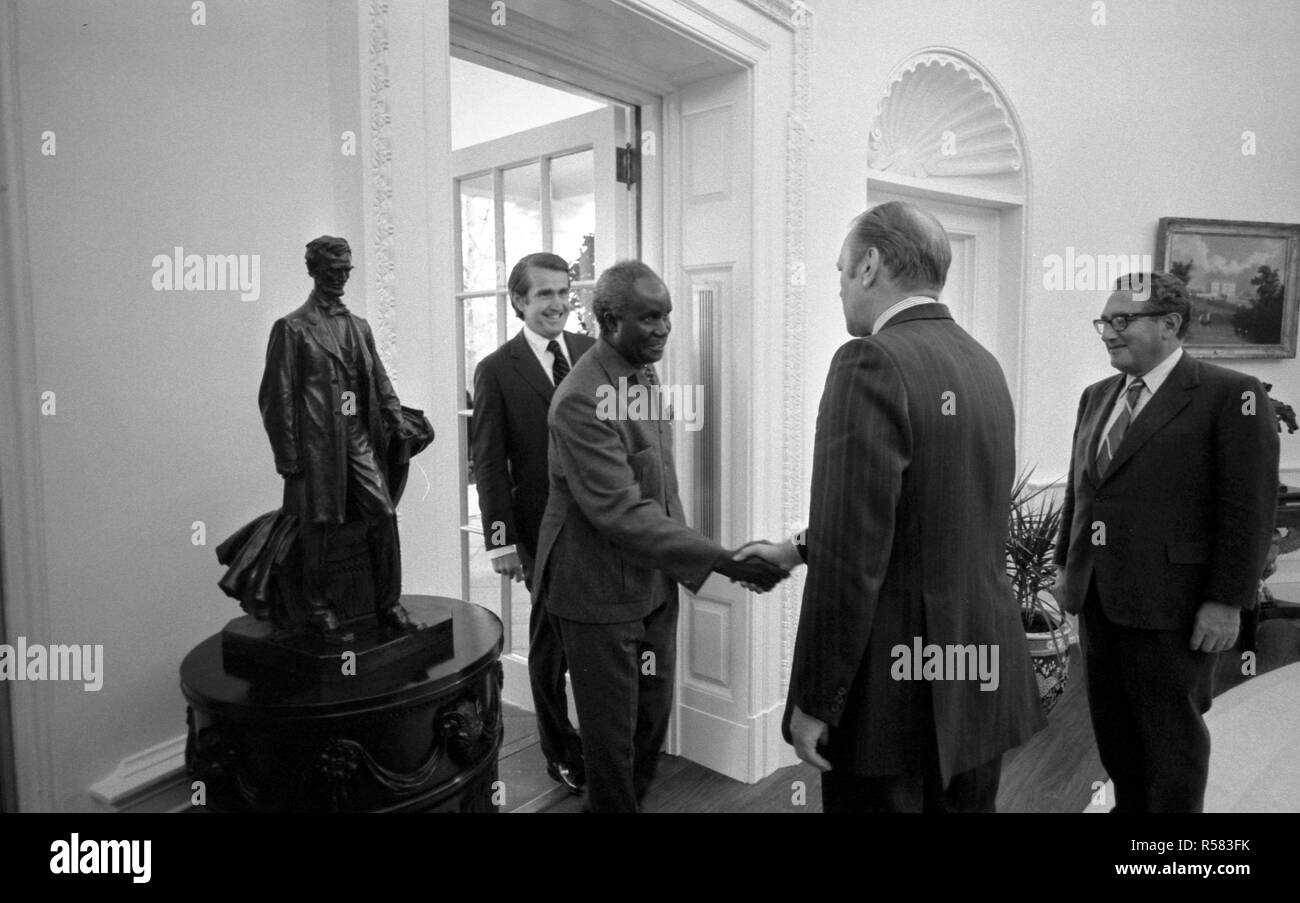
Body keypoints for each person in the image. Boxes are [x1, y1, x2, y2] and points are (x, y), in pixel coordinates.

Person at [739, 201, 1043, 812]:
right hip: (976, 667)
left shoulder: (870, 361)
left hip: (895, 693)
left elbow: (854, 556)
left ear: (871, 265)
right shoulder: (983, 363)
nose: (842, 288)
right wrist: (796, 548)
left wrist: (815, 701)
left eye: (842, 272)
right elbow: (924, 509)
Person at [532, 259, 787, 812]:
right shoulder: (580, 396)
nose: (664, 328)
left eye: (667, 315)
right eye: (649, 318)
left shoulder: (642, 373)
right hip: (594, 589)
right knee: (612, 742)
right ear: (606, 319)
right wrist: (722, 559)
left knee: (650, 722)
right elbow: (619, 509)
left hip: (652, 583)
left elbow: (659, 483)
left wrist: (687, 558)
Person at [1052, 271, 1278, 812]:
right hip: (1099, 602)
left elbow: (1247, 510)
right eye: (1103, 321)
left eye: (1122, 320)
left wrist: (1226, 602)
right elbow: (1081, 492)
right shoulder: (1096, 396)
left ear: (1171, 325)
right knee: (1118, 743)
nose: (1107, 331)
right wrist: (1066, 567)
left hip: (1175, 610)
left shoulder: (1231, 396)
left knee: (1171, 749)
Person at [470, 252, 596, 793]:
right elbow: (489, 463)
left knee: (600, 641)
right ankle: (559, 748)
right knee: (550, 647)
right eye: (543, 294)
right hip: (542, 534)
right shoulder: (496, 369)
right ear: (519, 301)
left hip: (602, 527)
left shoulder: (596, 355)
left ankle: (605, 741)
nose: (556, 303)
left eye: (563, 291)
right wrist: (502, 541)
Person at [259, 235, 416, 636]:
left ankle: (389, 604)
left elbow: (379, 379)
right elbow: (276, 398)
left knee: (383, 513)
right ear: (313, 271)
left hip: (357, 436)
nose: (340, 279)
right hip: (318, 444)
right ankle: (316, 606)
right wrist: (287, 456)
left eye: (346, 271)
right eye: (332, 271)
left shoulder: (359, 327)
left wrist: (396, 417)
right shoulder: (292, 328)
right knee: (319, 525)